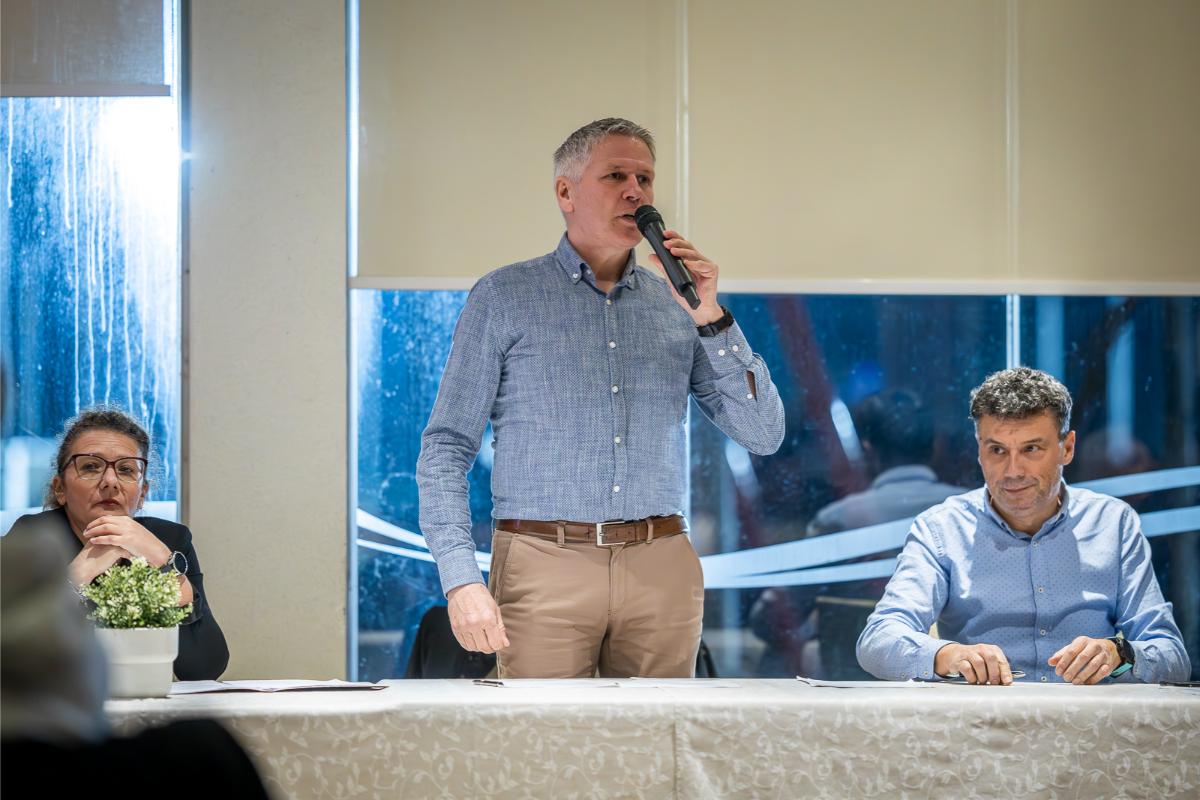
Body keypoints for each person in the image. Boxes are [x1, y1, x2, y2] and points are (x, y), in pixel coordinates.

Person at [416, 117, 785, 678]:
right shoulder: (505, 297)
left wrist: (711, 316)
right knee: (545, 733)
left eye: (645, 178)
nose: (636, 192)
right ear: (565, 192)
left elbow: (764, 434)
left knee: (661, 734)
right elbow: (445, 448)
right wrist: (461, 579)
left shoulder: (678, 305)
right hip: (543, 561)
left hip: (662, 564)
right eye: (616, 176)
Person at [856, 367, 1190, 684]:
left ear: (1067, 448)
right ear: (979, 451)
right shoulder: (941, 529)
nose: (1013, 471)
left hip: (1090, 720)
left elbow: (1172, 657)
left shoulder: (1113, 523)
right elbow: (878, 640)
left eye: (1031, 449)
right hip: (983, 719)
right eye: (997, 450)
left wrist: (1119, 654)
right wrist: (948, 655)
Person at [751, 389, 966, 678]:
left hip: (852, 677)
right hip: (953, 675)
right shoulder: (968, 514)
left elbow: (775, 618)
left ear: (867, 450)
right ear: (935, 446)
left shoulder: (839, 519)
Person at [6, 406, 229, 680]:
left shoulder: (170, 540)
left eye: (125, 469)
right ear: (60, 488)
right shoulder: (31, 539)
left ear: (142, 493)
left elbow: (204, 668)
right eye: (91, 466)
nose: (110, 481)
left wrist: (164, 564)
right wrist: (77, 576)